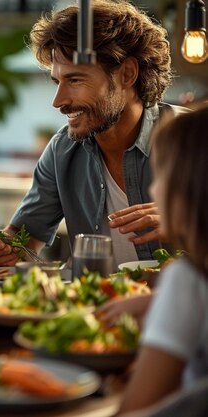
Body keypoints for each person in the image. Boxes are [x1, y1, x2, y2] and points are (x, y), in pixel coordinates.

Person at [0, 0, 187, 268]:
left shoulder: (193, 139)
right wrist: (5, 247)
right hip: (95, 306)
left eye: (75, 80)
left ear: (127, 74)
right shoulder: (62, 151)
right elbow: (23, 239)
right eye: (57, 81)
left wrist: (189, 224)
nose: (59, 101)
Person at [117, 106, 208, 414]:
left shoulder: (188, 277)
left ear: (189, 186)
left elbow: (135, 408)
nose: (153, 190)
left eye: (161, 176)